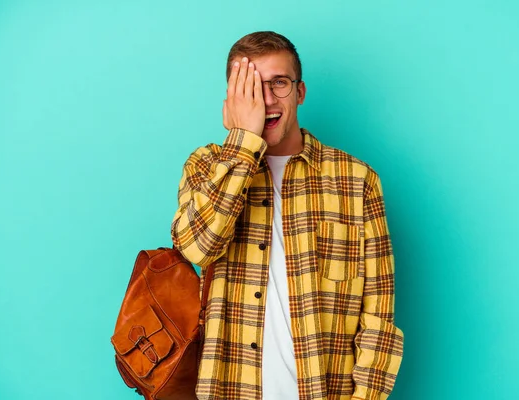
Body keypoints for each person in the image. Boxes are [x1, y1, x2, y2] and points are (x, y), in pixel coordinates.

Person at [171, 31, 403, 400]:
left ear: (300, 92)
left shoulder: (357, 181)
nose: (265, 100)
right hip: (230, 388)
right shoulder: (206, 166)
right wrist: (244, 141)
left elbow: (378, 311)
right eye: (250, 88)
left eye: (278, 83)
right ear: (232, 99)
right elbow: (199, 248)